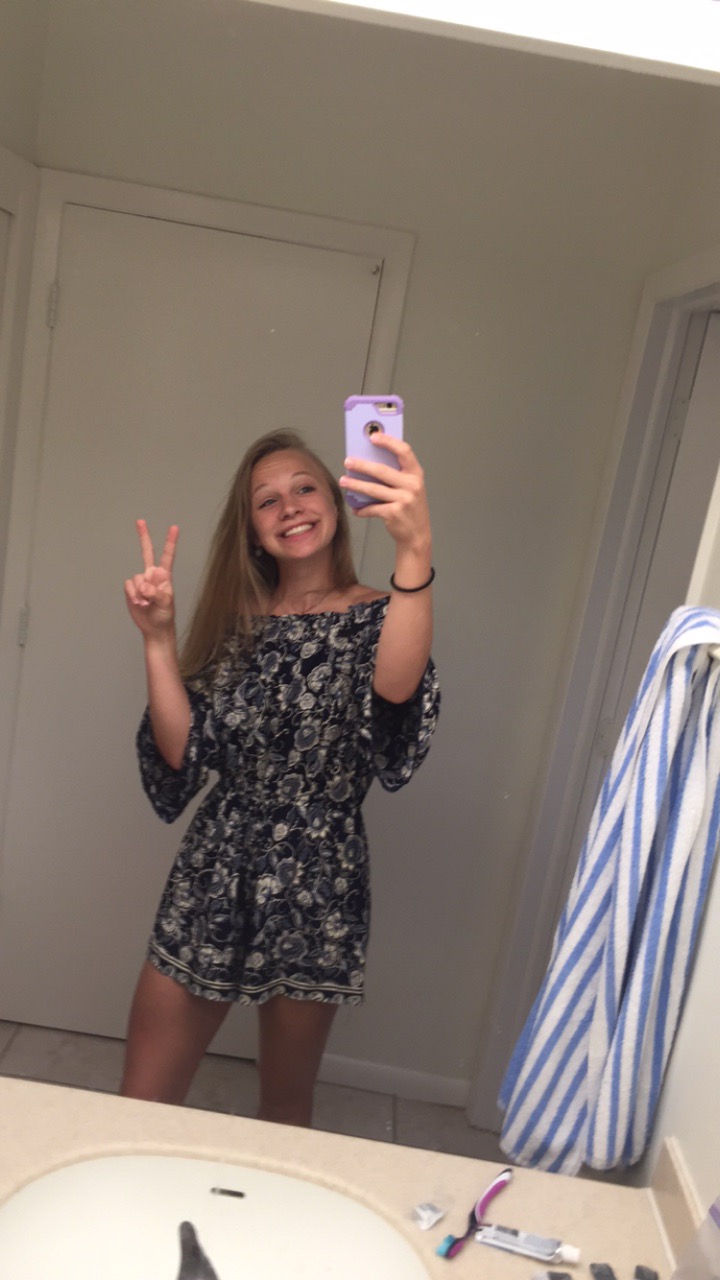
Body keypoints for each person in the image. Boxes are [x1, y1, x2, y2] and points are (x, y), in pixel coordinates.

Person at [121, 427, 440, 1126]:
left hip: (318, 876)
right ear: (252, 530)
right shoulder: (233, 624)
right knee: (142, 1103)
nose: (289, 506)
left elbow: (394, 691)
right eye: (267, 501)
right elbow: (184, 752)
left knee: (285, 1106)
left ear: (335, 504)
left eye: (304, 488)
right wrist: (158, 641)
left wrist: (414, 548)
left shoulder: (382, 615)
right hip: (215, 862)